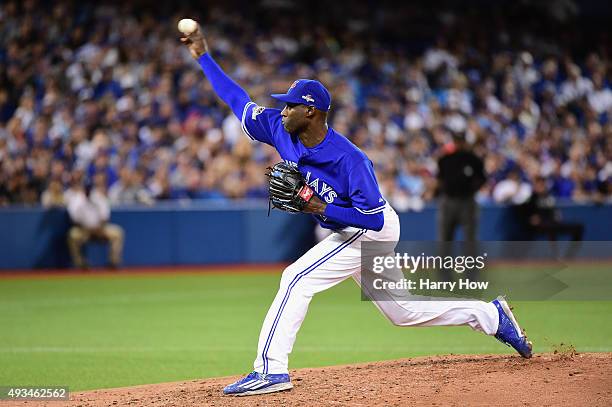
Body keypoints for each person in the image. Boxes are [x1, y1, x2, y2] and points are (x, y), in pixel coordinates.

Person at [181, 23, 532, 397]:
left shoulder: (351, 159)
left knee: (296, 278)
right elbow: (236, 99)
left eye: (290, 104)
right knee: (403, 312)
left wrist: (321, 207)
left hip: (370, 228)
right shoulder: (279, 128)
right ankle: (491, 315)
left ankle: (271, 370)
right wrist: (204, 56)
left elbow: (374, 219)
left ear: (312, 112)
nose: (282, 109)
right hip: (353, 229)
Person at [65, 173, 125, 269]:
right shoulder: (76, 199)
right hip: (83, 230)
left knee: (117, 232)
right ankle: (80, 264)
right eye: (86, 188)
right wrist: (87, 229)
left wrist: (99, 228)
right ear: (83, 188)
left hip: (100, 229)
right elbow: (74, 220)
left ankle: (113, 262)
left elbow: (105, 217)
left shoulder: (98, 197)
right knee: (72, 235)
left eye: (89, 188)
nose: (88, 191)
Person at [436, 133, 486, 242]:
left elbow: (482, 178)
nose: (458, 144)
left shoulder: (472, 159)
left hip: (467, 200)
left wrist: (472, 190)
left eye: (460, 141)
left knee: (470, 238)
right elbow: (440, 180)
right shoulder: (446, 160)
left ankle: (470, 259)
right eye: (456, 141)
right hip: (449, 200)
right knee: (445, 238)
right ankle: (444, 260)